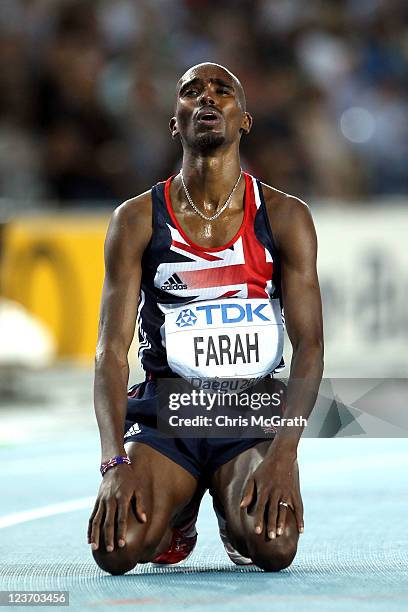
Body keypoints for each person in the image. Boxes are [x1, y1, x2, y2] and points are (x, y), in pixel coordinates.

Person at [87, 62, 324, 574]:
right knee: (117, 550)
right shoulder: (135, 219)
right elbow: (110, 350)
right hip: (167, 413)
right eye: (192, 92)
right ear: (176, 123)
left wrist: (285, 456)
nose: (207, 99)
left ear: (245, 120)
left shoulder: (284, 216)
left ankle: (223, 506)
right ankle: (180, 514)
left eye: (222, 91)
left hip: (249, 413)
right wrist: (113, 462)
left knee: (275, 546)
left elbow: (310, 347)